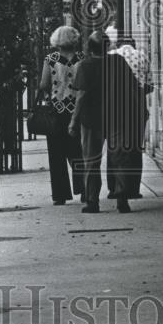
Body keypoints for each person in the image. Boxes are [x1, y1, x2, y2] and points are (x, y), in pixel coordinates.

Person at [38, 25, 84, 205]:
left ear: (56, 41)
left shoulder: (51, 59)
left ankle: (60, 194)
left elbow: (43, 84)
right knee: (77, 152)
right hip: (76, 110)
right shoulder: (82, 58)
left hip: (56, 111)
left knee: (56, 154)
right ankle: (84, 188)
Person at [103, 41, 149, 213]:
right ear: (134, 45)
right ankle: (132, 188)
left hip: (115, 107)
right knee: (135, 148)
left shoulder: (112, 58)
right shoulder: (142, 57)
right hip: (137, 108)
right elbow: (149, 86)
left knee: (115, 148)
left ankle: (115, 187)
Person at [68, 30, 108, 214]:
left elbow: (81, 95)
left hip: (91, 119)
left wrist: (73, 121)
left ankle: (92, 200)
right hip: (115, 117)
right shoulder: (116, 63)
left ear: (89, 48)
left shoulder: (84, 66)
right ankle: (121, 195)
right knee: (118, 159)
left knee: (92, 161)